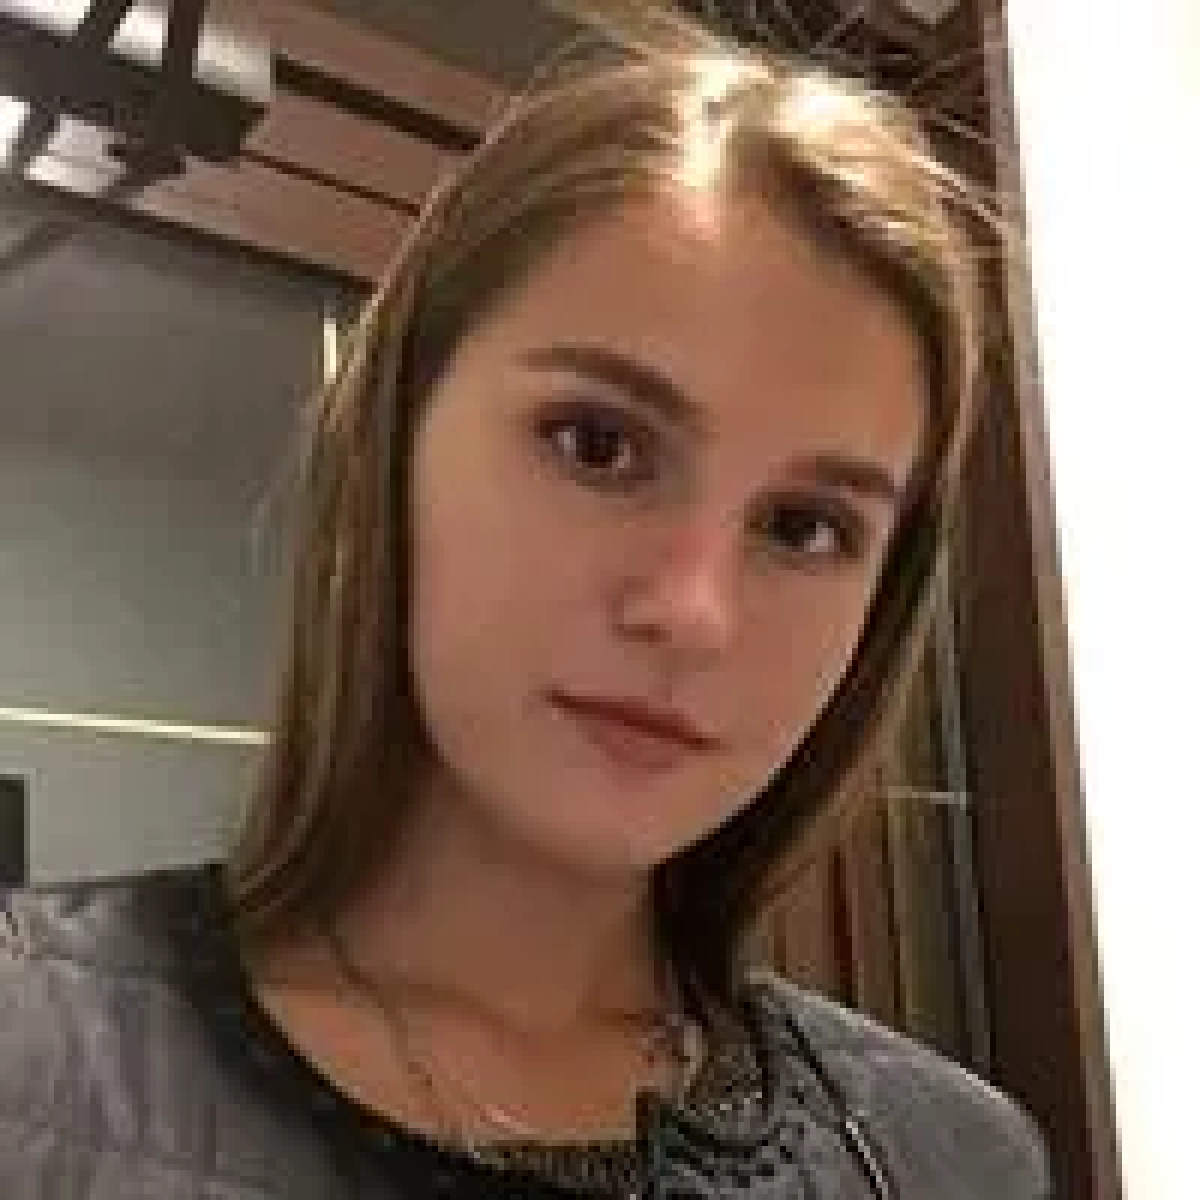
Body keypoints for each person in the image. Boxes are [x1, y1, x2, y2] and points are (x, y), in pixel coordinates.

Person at [0, 8, 1050, 1198]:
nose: (693, 610)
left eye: (805, 527)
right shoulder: (36, 1064)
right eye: (598, 444)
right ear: (397, 442)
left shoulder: (952, 1158)